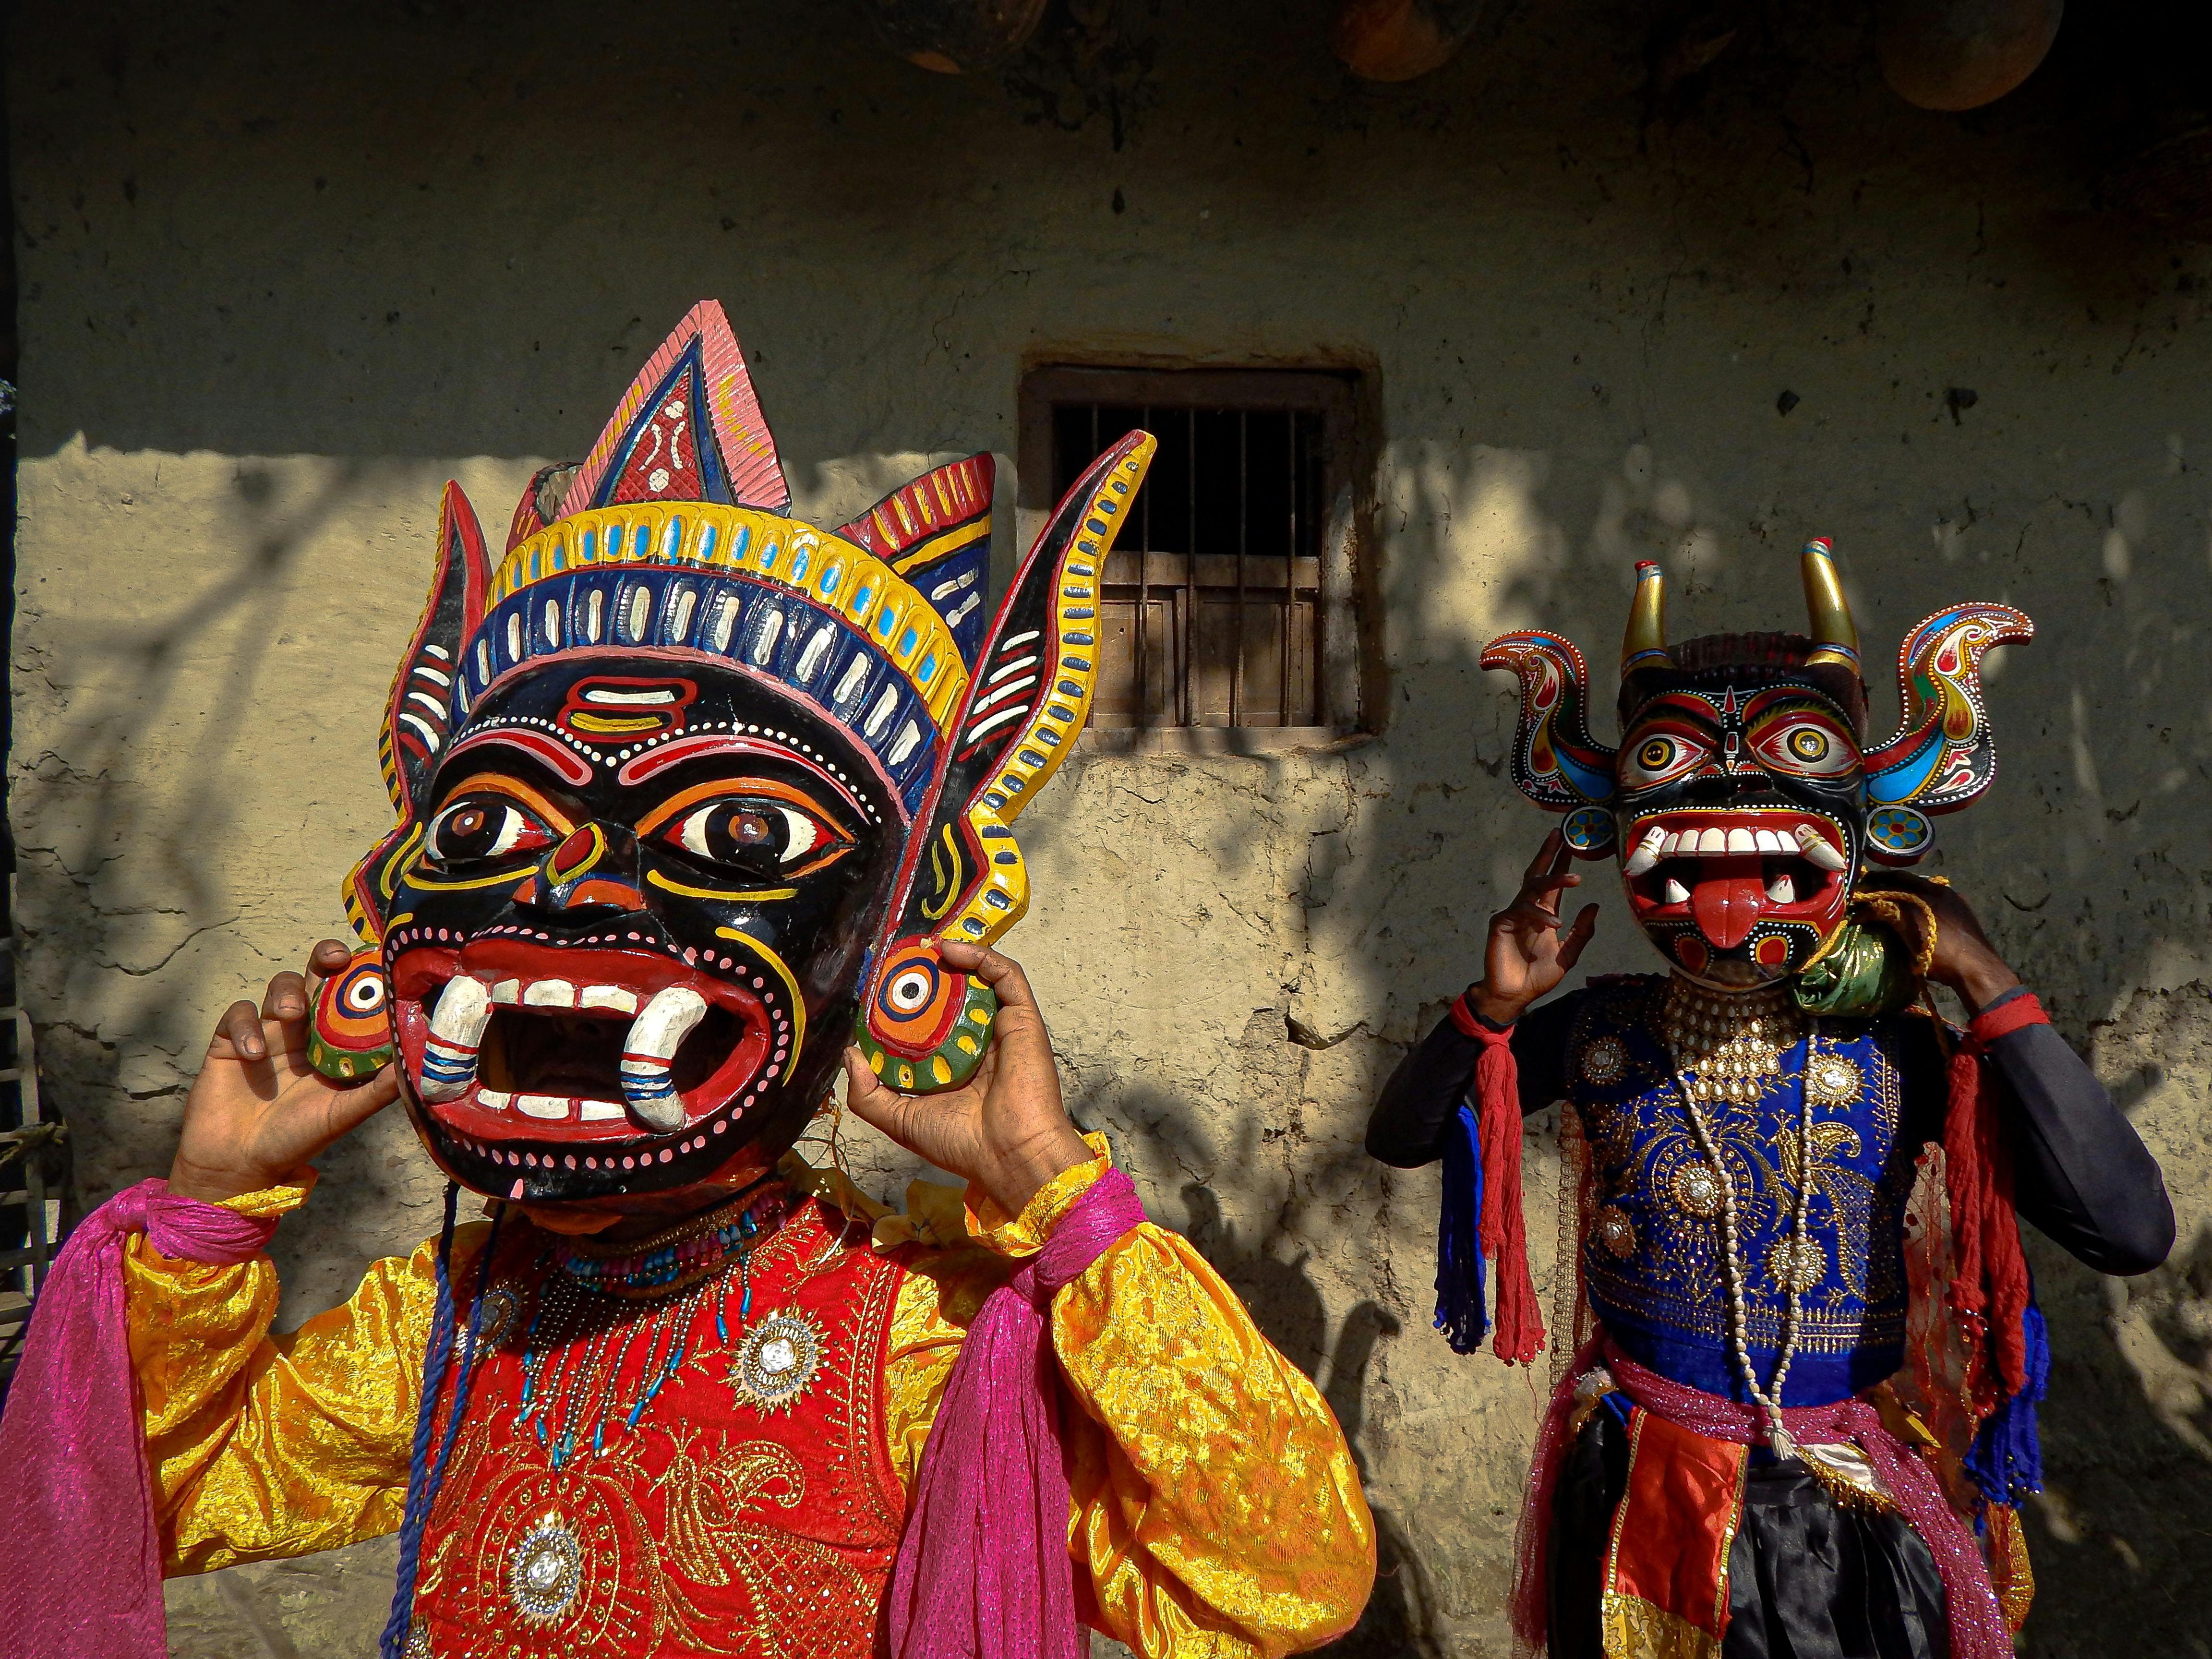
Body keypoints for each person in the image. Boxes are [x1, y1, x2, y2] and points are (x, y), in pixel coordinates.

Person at [0, 302, 1375, 1659]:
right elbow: (148, 1508)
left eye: (739, 832)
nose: (570, 887)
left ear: (889, 942)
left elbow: (1279, 1576)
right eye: (486, 826)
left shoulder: (915, 1338)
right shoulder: (454, 1316)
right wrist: (214, 1217)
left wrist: (1062, 1197)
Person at [1366, 546, 2171, 1659]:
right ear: (1613, 824)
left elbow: (2129, 1230)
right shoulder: (1602, 1031)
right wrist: (1491, 1010)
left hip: (1837, 1514)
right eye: (1672, 770)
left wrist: (1986, 982)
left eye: (1795, 763)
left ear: (1869, 827)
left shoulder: (1904, 1052)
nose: (1729, 814)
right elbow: (1401, 1136)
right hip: (1634, 1483)